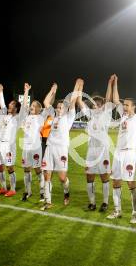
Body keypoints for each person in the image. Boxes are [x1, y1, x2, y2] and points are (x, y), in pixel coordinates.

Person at [106, 74, 136, 224]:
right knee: (116, 182)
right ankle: (117, 210)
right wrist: (115, 82)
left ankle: (135, 213)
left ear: (133, 107)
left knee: (131, 184)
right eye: (123, 105)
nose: (123, 107)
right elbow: (115, 99)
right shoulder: (123, 116)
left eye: (126, 105)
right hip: (118, 153)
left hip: (130, 154)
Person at [40, 80, 81, 210]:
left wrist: (76, 86)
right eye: (57, 107)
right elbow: (46, 102)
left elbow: (73, 100)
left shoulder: (69, 117)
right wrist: (53, 90)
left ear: (65, 108)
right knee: (47, 175)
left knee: (62, 178)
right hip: (50, 148)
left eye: (61, 107)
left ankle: (66, 192)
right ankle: (48, 201)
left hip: (61, 149)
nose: (59, 109)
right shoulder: (52, 115)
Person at [76, 75, 114, 212]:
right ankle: (92, 203)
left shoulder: (107, 113)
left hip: (103, 150)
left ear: (102, 105)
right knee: (89, 178)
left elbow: (109, 99)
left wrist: (110, 83)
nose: (96, 106)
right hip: (91, 150)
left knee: (104, 178)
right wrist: (80, 87)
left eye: (98, 104)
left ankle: (104, 203)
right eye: (94, 104)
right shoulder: (91, 115)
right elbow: (79, 101)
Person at [0, 84, 28, 197]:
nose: (9, 105)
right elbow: (2, 103)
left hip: (9, 146)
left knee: (10, 167)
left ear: (16, 108)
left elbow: (23, 108)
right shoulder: (5, 115)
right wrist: (0, 92)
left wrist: (26, 91)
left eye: (12, 104)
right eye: (10, 103)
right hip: (0, 144)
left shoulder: (18, 118)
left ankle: (12, 189)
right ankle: (3, 188)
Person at [20, 83, 50, 202]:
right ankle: (28, 191)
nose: (31, 106)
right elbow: (23, 107)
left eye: (33, 105)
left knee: (38, 170)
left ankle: (42, 193)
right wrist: (26, 91)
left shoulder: (41, 117)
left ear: (38, 108)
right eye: (31, 105)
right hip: (25, 147)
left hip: (36, 147)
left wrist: (52, 91)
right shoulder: (26, 117)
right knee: (26, 169)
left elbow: (47, 106)